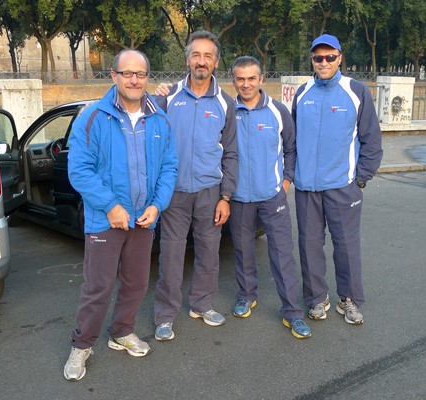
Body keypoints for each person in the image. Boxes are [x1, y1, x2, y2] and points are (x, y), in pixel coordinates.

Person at [63, 49, 178, 381]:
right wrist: (111, 206)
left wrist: (157, 205)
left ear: (147, 78)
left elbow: (169, 167)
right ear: (113, 76)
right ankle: (82, 345)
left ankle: (121, 332)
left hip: (144, 221)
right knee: (97, 288)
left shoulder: (159, 119)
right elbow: (80, 170)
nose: (134, 80)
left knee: (137, 284)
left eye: (140, 74)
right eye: (127, 73)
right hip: (105, 221)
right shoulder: (93, 117)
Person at [152, 30, 238, 341]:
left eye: (208, 56)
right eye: (196, 55)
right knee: (171, 255)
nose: (201, 61)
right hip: (173, 193)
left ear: (216, 62)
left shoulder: (226, 104)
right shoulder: (167, 97)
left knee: (208, 252)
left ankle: (201, 304)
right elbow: (150, 140)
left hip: (209, 192)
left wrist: (226, 196)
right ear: (188, 58)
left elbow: (231, 152)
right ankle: (165, 315)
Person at [292, 34, 383, 325]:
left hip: (343, 187)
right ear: (312, 60)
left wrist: (361, 179)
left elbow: (372, 140)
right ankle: (317, 298)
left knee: (346, 246)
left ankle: (350, 299)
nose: (324, 62)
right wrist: (292, 175)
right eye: (318, 58)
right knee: (309, 246)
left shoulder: (356, 91)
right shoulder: (302, 93)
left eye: (330, 57)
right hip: (307, 188)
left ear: (340, 57)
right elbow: (290, 140)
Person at [228, 56, 311, 339]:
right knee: (243, 250)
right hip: (238, 198)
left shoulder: (277, 111)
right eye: (241, 79)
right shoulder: (227, 110)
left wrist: (285, 182)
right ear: (234, 81)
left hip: (272, 196)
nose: (246, 84)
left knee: (282, 254)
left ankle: (292, 312)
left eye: (252, 78)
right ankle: (246, 295)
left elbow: (291, 148)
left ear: (262, 79)